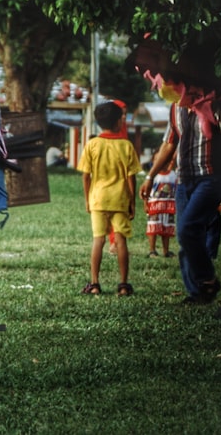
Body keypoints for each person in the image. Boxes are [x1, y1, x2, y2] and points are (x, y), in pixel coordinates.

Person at [140, 99, 221, 305]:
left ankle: (207, 280)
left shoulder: (215, 104)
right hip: (184, 180)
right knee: (185, 237)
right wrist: (150, 176)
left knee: (187, 229)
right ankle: (198, 293)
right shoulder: (176, 107)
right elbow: (169, 142)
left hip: (210, 177)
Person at [77, 101, 141, 296]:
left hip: (98, 199)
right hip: (120, 200)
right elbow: (132, 178)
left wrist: (88, 199)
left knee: (98, 240)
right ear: (118, 123)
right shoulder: (126, 146)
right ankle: (123, 284)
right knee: (120, 241)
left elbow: (86, 176)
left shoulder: (92, 144)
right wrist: (132, 202)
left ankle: (94, 284)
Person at [144, 152, 177, 258]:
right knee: (153, 227)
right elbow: (146, 191)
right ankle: (152, 250)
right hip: (154, 206)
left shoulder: (173, 175)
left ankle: (166, 251)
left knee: (166, 229)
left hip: (168, 207)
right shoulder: (152, 176)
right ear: (153, 161)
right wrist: (145, 204)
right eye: (156, 159)